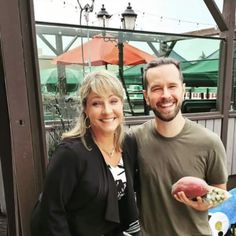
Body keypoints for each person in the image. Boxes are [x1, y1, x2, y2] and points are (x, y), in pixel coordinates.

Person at [31, 70, 140, 236]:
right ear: (85, 109)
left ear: (121, 104)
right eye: (97, 103)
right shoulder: (70, 154)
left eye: (113, 101)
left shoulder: (127, 144)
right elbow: (51, 212)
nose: (107, 111)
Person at [129, 58, 228, 236]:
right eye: (157, 88)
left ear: (183, 89)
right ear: (146, 96)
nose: (165, 95)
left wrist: (206, 203)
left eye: (172, 86)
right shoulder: (134, 139)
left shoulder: (209, 142)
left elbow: (220, 191)